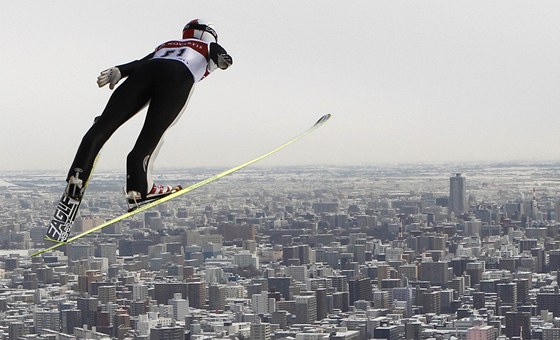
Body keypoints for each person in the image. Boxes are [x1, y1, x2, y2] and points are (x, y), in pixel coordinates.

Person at [65, 19, 233, 205]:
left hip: (144, 72)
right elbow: (221, 57)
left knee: (103, 125)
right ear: (211, 34)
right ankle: (139, 188)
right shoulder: (208, 45)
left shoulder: (168, 44)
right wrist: (223, 60)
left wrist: (120, 70)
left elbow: (142, 62)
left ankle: (77, 176)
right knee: (151, 135)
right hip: (178, 77)